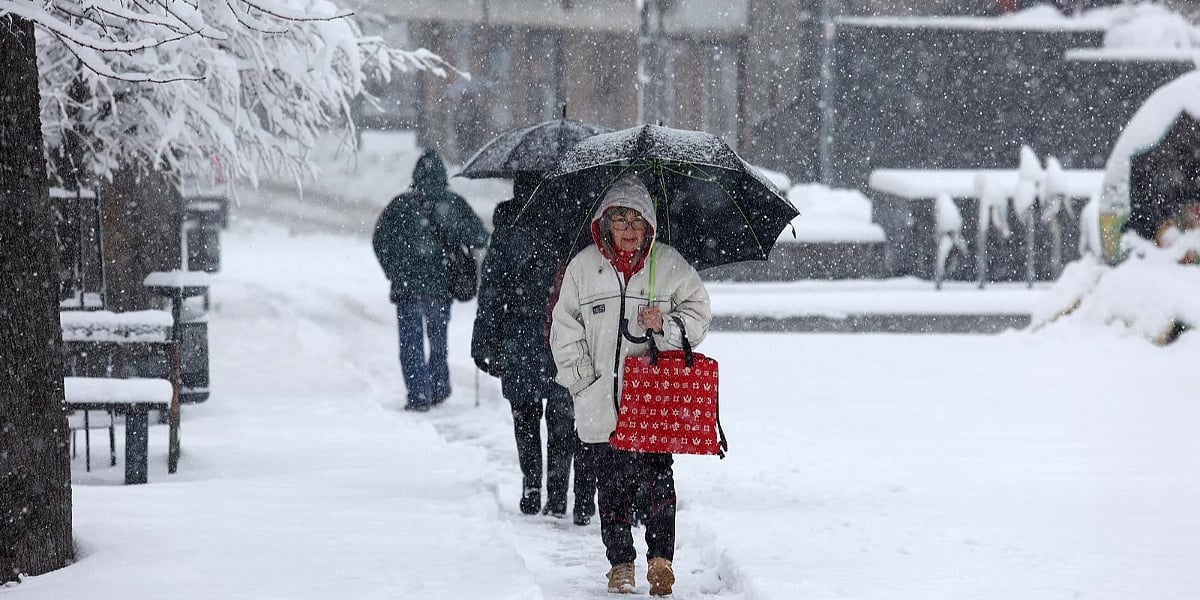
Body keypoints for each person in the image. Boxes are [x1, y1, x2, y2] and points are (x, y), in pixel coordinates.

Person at [549, 173, 711, 596]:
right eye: (620, 220)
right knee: (613, 483)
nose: (629, 230)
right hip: (602, 399)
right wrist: (584, 382)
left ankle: (661, 559)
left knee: (659, 476)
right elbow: (564, 330)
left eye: (638, 221)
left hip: (654, 399)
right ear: (605, 221)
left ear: (651, 225)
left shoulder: (669, 265)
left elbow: (700, 315)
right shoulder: (583, 268)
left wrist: (668, 324)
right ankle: (620, 563)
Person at [472, 174, 598, 523]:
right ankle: (558, 496)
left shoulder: (510, 227)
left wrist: (484, 340)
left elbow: (493, 291)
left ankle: (531, 487)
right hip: (565, 337)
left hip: (521, 337)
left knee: (524, 416)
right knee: (561, 419)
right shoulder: (577, 224)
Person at [373, 149, 488, 412]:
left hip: (407, 288)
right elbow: (480, 237)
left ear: (417, 175)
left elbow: (380, 240)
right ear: (442, 176)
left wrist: (395, 270)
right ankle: (438, 386)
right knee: (438, 340)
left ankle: (418, 394)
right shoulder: (454, 205)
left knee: (410, 342)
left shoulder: (401, 205)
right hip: (440, 286)